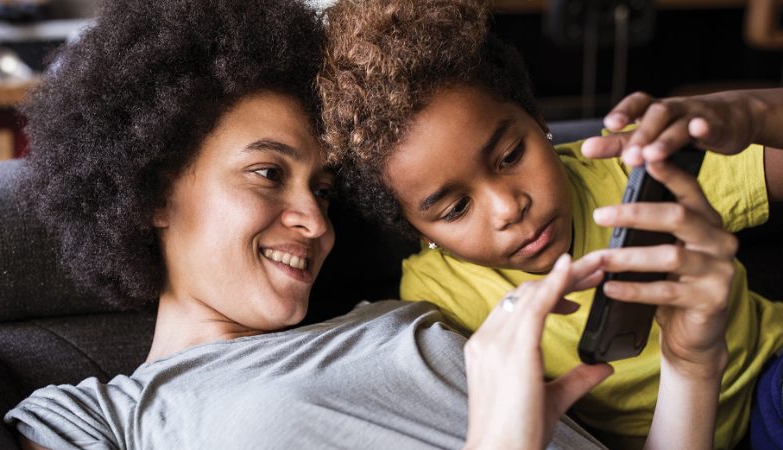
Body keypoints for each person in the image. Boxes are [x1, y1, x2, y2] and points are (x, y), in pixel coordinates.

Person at [3, 0, 617, 448]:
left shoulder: (411, 313)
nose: (316, 222)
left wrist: (690, 363)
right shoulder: (107, 417)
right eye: (268, 173)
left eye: (323, 190)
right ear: (153, 193)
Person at [318, 0, 781, 448]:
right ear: (418, 231)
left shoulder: (628, 167)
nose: (508, 208)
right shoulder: (436, 299)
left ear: (539, 121)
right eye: (456, 209)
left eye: (511, 155)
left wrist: (750, 111)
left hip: (769, 373)